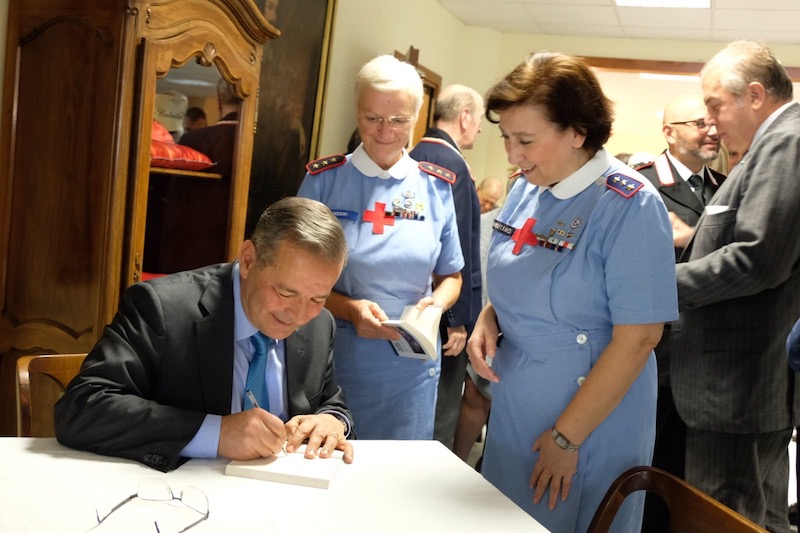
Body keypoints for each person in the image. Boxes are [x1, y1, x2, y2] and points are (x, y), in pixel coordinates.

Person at [466, 51, 677, 532]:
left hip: (587, 416)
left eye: (526, 140)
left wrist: (567, 438)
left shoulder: (628, 204)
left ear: (578, 131)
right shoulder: (528, 187)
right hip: (519, 397)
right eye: (506, 138)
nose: (512, 155)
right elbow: (528, 273)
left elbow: (640, 338)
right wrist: (491, 316)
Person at [54, 197, 355, 472]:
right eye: (286, 293)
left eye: (317, 299)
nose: (299, 316)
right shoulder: (162, 309)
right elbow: (82, 408)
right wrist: (217, 433)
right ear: (248, 260)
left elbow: (330, 402)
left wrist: (333, 421)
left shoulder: (319, 325)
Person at [297, 54, 464, 440]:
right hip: (336, 356)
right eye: (372, 117)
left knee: (402, 468)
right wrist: (351, 310)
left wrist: (435, 305)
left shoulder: (435, 187)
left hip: (412, 367)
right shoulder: (324, 181)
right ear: (357, 112)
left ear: (416, 118)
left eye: (399, 120)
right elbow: (293, 279)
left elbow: (452, 277)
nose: (385, 131)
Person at [671, 40, 800, 532]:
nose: (709, 122)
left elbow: (758, 258)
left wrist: (659, 284)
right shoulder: (764, 147)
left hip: (738, 384)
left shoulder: (785, 142)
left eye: (714, 105)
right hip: (743, 380)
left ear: (755, 95)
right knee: (758, 519)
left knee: (724, 519)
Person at [635, 93, 726, 533]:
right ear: (669, 132)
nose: (711, 130)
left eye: (712, 122)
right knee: (650, 461)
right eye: (698, 123)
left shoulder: (725, 184)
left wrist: (689, 239)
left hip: (711, 349)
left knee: (693, 470)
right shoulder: (643, 183)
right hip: (658, 348)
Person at [409, 84, 485, 447]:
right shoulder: (452, 164)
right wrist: (458, 320)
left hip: (416, 303)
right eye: (479, 120)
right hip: (442, 310)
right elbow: (458, 250)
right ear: (465, 116)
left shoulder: (414, 153)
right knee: (440, 409)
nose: (480, 129)